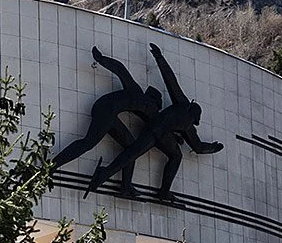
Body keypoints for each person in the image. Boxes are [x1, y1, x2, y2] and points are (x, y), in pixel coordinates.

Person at [85, 42, 224, 200]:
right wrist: (213, 147)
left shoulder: (183, 106)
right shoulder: (188, 123)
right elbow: (198, 147)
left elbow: (170, 81)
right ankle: (162, 191)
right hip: (159, 134)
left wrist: (159, 57)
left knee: (132, 153)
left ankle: (106, 175)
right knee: (173, 156)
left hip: (152, 129)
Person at [51, 46, 163, 179]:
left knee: (131, 148)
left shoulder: (139, 98)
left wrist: (101, 59)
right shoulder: (141, 97)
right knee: (88, 142)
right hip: (106, 110)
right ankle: (52, 166)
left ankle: (125, 186)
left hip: (107, 111)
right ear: (152, 101)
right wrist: (101, 59)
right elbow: (121, 70)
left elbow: (121, 70)